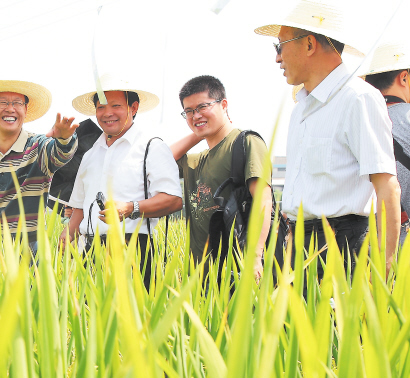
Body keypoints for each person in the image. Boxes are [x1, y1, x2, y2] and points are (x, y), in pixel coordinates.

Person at [255, 1, 400, 277]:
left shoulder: (358, 98)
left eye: (280, 46)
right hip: (298, 246)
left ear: (309, 44)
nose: (277, 58)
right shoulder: (301, 109)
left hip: (343, 248)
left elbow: (387, 188)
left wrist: (385, 270)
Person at [61, 76, 183, 289]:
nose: (107, 113)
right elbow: (80, 205)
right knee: (90, 319)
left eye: (116, 106)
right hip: (90, 249)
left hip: (133, 249)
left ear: (133, 108)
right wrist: (67, 236)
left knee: (132, 320)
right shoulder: (89, 155)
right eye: (100, 107)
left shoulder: (151, 147)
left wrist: (130, 208)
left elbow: (173, 200)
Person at [0, 79, 79, 255]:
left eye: (17, 103)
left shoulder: (38, 147)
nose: (10, 108)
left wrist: (64, 139)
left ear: (26, 109)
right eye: (2, 102)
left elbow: (60, 154)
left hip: (29, 248)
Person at [171, 75, 274, 279]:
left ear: (223, 104)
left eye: (202, 107)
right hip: (201, 274)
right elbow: (162, 159)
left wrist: (255, 257)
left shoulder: (246, 143)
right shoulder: (196, 161)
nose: (195, 115)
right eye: (188, 111)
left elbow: (264, 200)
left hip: (237, 270)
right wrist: (200, 129)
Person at [364, 42, 410, 246]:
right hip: (402, 249)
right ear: (404, 77)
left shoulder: (357, 121)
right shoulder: (406, 119)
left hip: (359, 250)